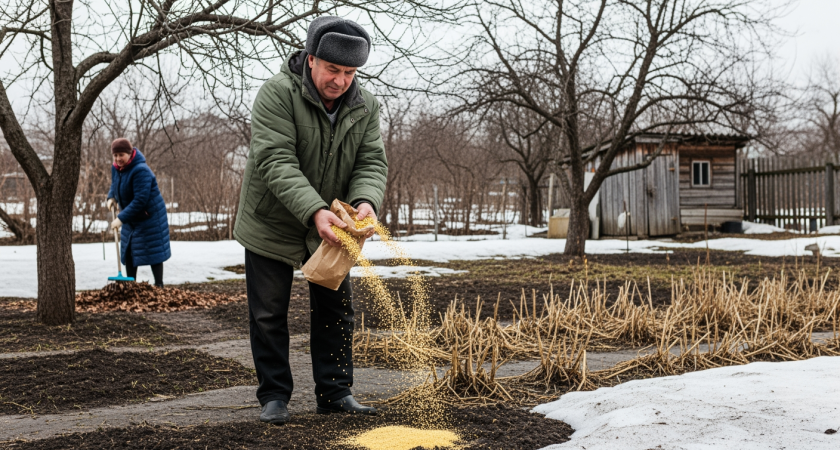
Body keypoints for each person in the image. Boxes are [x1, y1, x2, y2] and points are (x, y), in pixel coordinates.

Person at [233, 16, 387, 425]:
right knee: (268, 312)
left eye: (350, 72)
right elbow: (275, 160)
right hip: (271, 221)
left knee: (336, 310)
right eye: (333, 70)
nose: (341, 81)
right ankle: (275, 396)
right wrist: (314, 210)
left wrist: (366, 200)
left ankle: (335, 393)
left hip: (333, 227)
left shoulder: (365, 105)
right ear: (311, 59)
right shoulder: (277, 94)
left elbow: (371, 161)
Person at [107, 138, 171, 287]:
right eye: (115, 155)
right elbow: (114, 184)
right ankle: (131, 285)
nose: (118, 159)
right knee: (129, 249)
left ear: (130, 153)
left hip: (149, 215)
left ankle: (159, 285)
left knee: (152, 250)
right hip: (131, 215)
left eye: (121, 154)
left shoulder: (141, 170)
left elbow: (140, 200)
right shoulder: (116, 168)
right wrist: (111, 197)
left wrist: (120, 218)